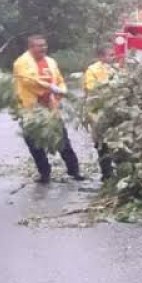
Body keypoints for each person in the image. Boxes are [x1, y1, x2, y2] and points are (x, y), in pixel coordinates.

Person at [12, 35, 83, 184]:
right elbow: (28, 81)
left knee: (62, 140)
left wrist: (61, 90)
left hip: (51, 108)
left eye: (44, 45)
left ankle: (74, 171)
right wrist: (50, 88)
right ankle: (44, 173)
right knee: (35, 144)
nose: (43, 48)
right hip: (30, 110)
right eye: (39, 46)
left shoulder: (51, 62)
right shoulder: (21, 63)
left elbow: (59, 79)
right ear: (30, 48)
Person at [83, 46, 115, 181]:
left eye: (112, 55)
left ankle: (114, 171)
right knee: (101, 143)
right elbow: (91, 89)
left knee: (115, 141)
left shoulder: (114, 69)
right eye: (109, 55)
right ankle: (106, 174)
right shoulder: (92, 70)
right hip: (97, 111)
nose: (112, 57)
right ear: (101, 57)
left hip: (112, 110)